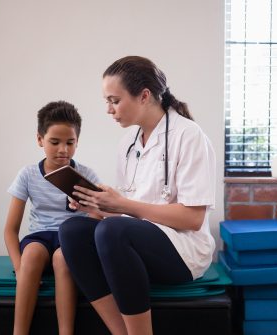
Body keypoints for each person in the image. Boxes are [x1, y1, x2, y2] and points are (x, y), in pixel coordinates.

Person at [60, 56, 217, 335]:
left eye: (114, 100)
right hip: (137, 242)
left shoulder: (189, 136)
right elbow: (127, 214)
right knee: (72, 230)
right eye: (106, 102)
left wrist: (121, 205)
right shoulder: (128, 144)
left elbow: (192, 219)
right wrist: (95, 205)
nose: (109, 110)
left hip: (183, 251)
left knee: (113, 230)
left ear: (144, 96)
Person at [4, 101, 102, 335]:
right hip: (40, 237)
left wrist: (88, 207)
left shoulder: (87, 174)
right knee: (31, 255)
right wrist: (19, 269)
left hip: (72, 238)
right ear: (40, 140)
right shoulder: (28, 174)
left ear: (78, 141)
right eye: (55, 142)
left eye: (70, 143)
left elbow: (99, 219)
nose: (63, 150)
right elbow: (10, 230)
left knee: (63, 258)